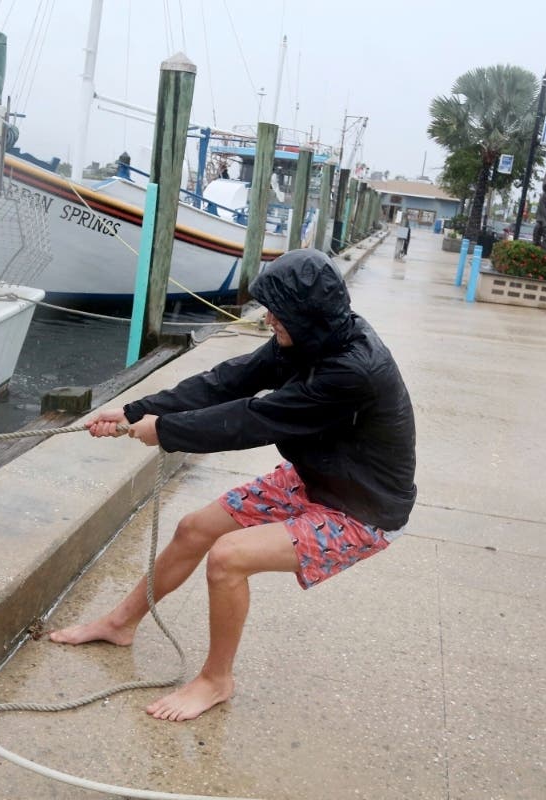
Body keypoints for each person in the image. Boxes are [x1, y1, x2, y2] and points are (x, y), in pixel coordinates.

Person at [50, 248, 417, 722]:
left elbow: (254, 420)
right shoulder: (307, 337)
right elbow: (228, 381)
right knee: (193, 528)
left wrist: (165, 432)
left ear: (305, 315)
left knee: (228, 559)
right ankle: (120, 624)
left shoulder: (351, 369)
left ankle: (216, 680)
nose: (267, 319)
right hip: (317, 479)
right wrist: (135, 411)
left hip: (362, 511)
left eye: (276, 311)